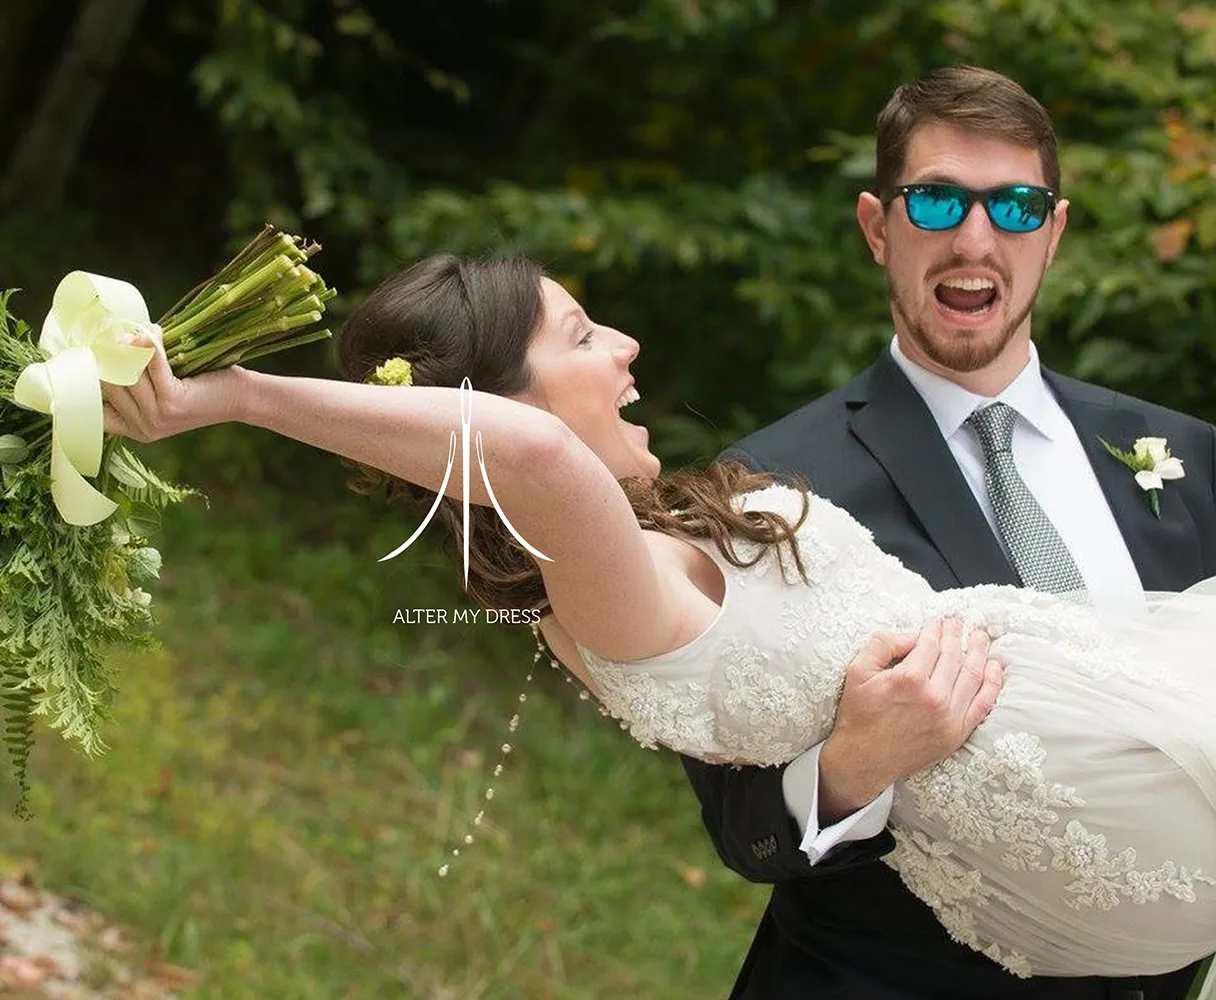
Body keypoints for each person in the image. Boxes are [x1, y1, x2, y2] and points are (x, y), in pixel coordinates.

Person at [100, 240, 1216, 984]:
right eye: (582, 337)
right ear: (486, 413)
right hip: (1069, 780)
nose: (625, 347)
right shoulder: (584, 583)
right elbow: (535, 457)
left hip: (1096, 689)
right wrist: (228, 397)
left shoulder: (650, 534)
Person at [678, 65, 1216, 999]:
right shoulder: (766, 490)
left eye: (1014, 206)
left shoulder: (1187, 454)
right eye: (935, 202)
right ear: (877, 227)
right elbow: (744, 826)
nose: (975, 238)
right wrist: (850, 767)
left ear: (1053, 234)